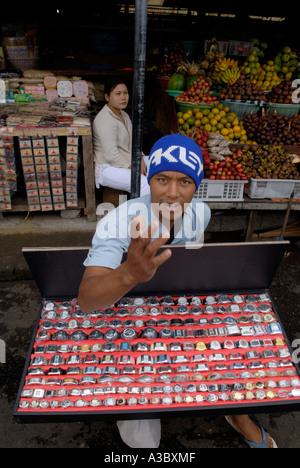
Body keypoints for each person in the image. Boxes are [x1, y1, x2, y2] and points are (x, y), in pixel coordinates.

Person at [78, 133, 277, 449]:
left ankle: (237, 413)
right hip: (124, 314)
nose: (172, 193)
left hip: (178, 307)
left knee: (241, 344)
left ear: (197, 185)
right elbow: (87, 301)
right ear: (149, 178)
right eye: (162, 179)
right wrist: (128, 274)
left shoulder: (201, 213)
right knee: (138, 407)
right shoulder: (116, 223)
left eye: (185, 182)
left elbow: (191, 265)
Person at [93, 78, 150, 196]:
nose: (123, 97)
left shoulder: (123, 114)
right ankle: (145, 213)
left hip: (127, 160)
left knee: (157, 163)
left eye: (125, 93)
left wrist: (140, 158)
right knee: (142, 183)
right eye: (118, 94)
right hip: (108, 168)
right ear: (107, 97)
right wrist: (134, 168)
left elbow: (134, 142)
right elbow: (110, 153)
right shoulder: (104, 119)